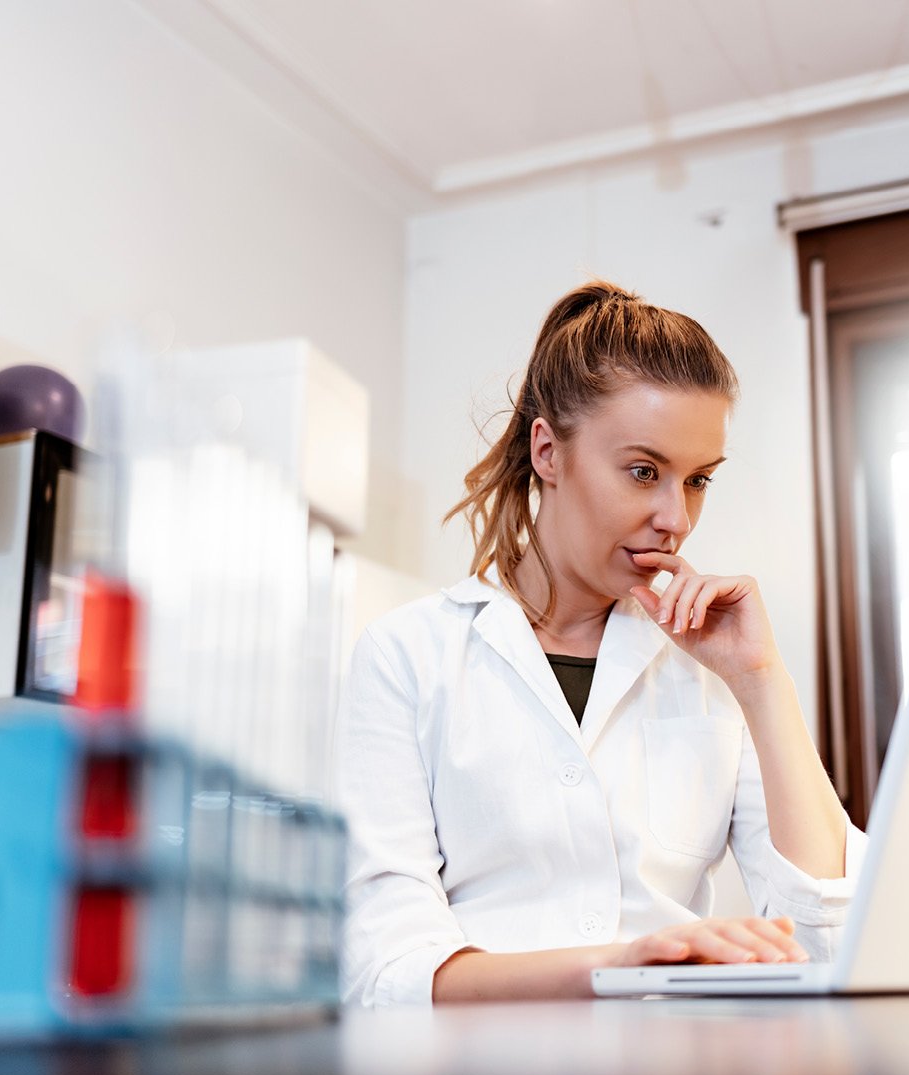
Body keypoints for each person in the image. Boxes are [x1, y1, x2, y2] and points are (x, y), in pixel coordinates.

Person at [336, 281, 867, 1006]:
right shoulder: (409, 655)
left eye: (699, 480)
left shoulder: (712, 672)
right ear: (549, 452)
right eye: (643, 472)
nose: (675, 519)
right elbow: (384, 970)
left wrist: (762, 680)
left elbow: (832, 941)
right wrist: (618, 966)